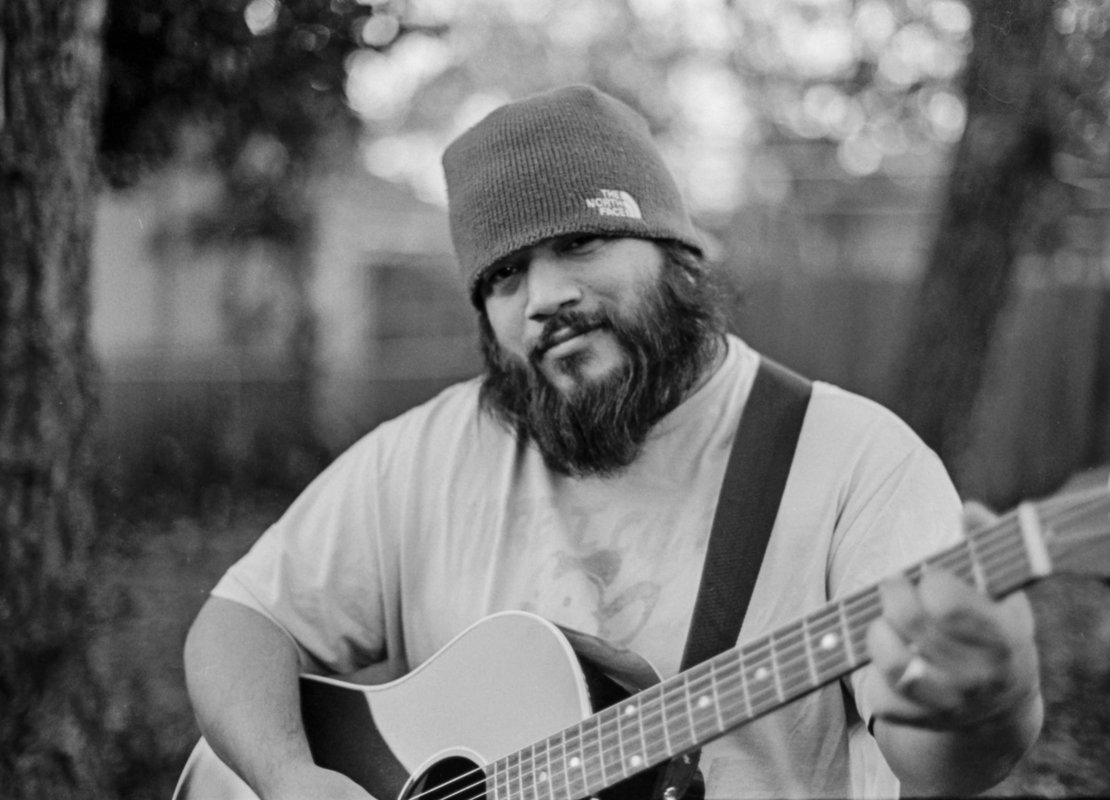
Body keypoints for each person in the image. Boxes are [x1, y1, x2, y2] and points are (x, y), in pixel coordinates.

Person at [183, 84, 1043, 800]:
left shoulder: (859, 465)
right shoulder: (428, 454)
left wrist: (985, 703)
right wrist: (291, 776)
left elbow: (941, 762)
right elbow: (238, 621)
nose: (544, 296)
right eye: (505, 276)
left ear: (677, 254)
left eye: (579, 242)